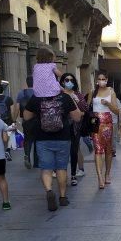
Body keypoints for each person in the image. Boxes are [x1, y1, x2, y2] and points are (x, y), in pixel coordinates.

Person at [23, 80, 82, 211]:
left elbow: (26, 116)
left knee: (46, 169)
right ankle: (62, 197)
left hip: (42, 139)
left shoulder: (36, 97)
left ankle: (49, 190)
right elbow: (77, 117)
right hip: (63, 138)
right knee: (61, 168)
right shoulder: (65, 97)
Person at [89, 73, 120, 188]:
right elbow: (87, 108)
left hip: (107, 123)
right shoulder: (93, 92)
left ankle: (107, 174)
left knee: (108, 150)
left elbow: (117, 111)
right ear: (96, 80)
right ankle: (100, 177)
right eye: (99, 79)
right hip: (95, 123)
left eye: (103, 79)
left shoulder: (111, 92)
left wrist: (108, 104)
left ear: (107, 80)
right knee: (98, 150)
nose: (101, 81)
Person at [59, 73, 88, 186]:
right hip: (61, 126)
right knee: (62, 150)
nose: (69, 82)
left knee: (74, 149)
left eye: (71, 80)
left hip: (75, 126)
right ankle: (60, 172)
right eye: (67, 80)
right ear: (62, 82)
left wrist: (78, 102)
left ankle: (73, 174)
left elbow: (85, 109)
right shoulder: (58, 94)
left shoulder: (78, 95)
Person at [0, 82, 16, 161]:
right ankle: (8, 150)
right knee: (9, 135)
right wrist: (13, 120)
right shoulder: (8, 99)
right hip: (8, 120)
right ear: (2, 90)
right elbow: (12, 111)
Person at [16, 77, 37, 169]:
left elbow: (17, 107)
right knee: (37, 140)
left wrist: (14, 118)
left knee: (27, 139)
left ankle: (27, 156)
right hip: (37, 119)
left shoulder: (21, 93)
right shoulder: (38, 92)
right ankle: (37, 161)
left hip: (26, 120)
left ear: (27, 83)